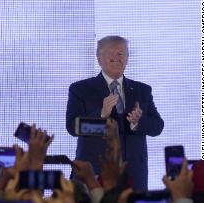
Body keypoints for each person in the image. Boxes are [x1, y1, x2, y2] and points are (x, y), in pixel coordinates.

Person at [66, 35, 164, 190]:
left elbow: (157, 127)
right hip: (94, 175)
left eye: (121, 53)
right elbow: (73, 127)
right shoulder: (80, 89)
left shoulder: (142, 90)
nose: (116, 57)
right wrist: (101, 115)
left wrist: (138, 122)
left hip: (134, 176)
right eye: (111, 53)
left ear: (127, 58)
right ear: (99, 58)